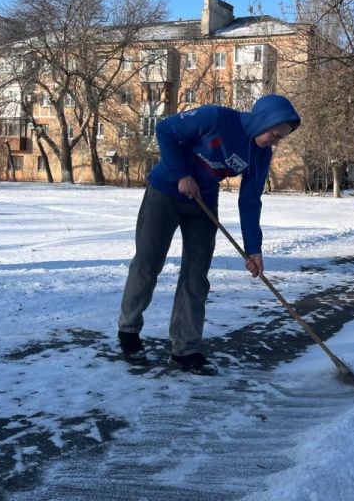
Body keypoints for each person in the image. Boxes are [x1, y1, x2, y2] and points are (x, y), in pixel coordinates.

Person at [117, 94, 301, 375]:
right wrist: (182, 174)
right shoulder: (217, 118)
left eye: (280, 139)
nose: (275, 142)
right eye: (275, 134)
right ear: (265, 120)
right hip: (166, 190)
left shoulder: (260, 154)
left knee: (196, 274)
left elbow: (250, 200)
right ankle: (128, 332)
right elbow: (165, 129)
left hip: (202, 202)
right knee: (148, 263)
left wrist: (254, 249)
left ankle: (185, 349)